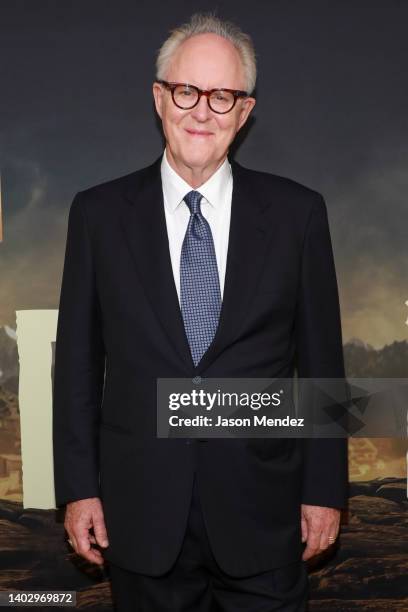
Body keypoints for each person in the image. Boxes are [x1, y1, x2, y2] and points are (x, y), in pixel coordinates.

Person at [53, 12, 348, 612]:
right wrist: (79, 489)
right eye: (187, 91)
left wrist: (324, 490)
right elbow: (78, 368)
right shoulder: (98, 215)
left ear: (245, 112)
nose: (202, 111)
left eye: (223, 96)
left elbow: (323, 366)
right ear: (160, 98)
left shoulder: (299, 215)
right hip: (141, 520)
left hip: (263, 517)